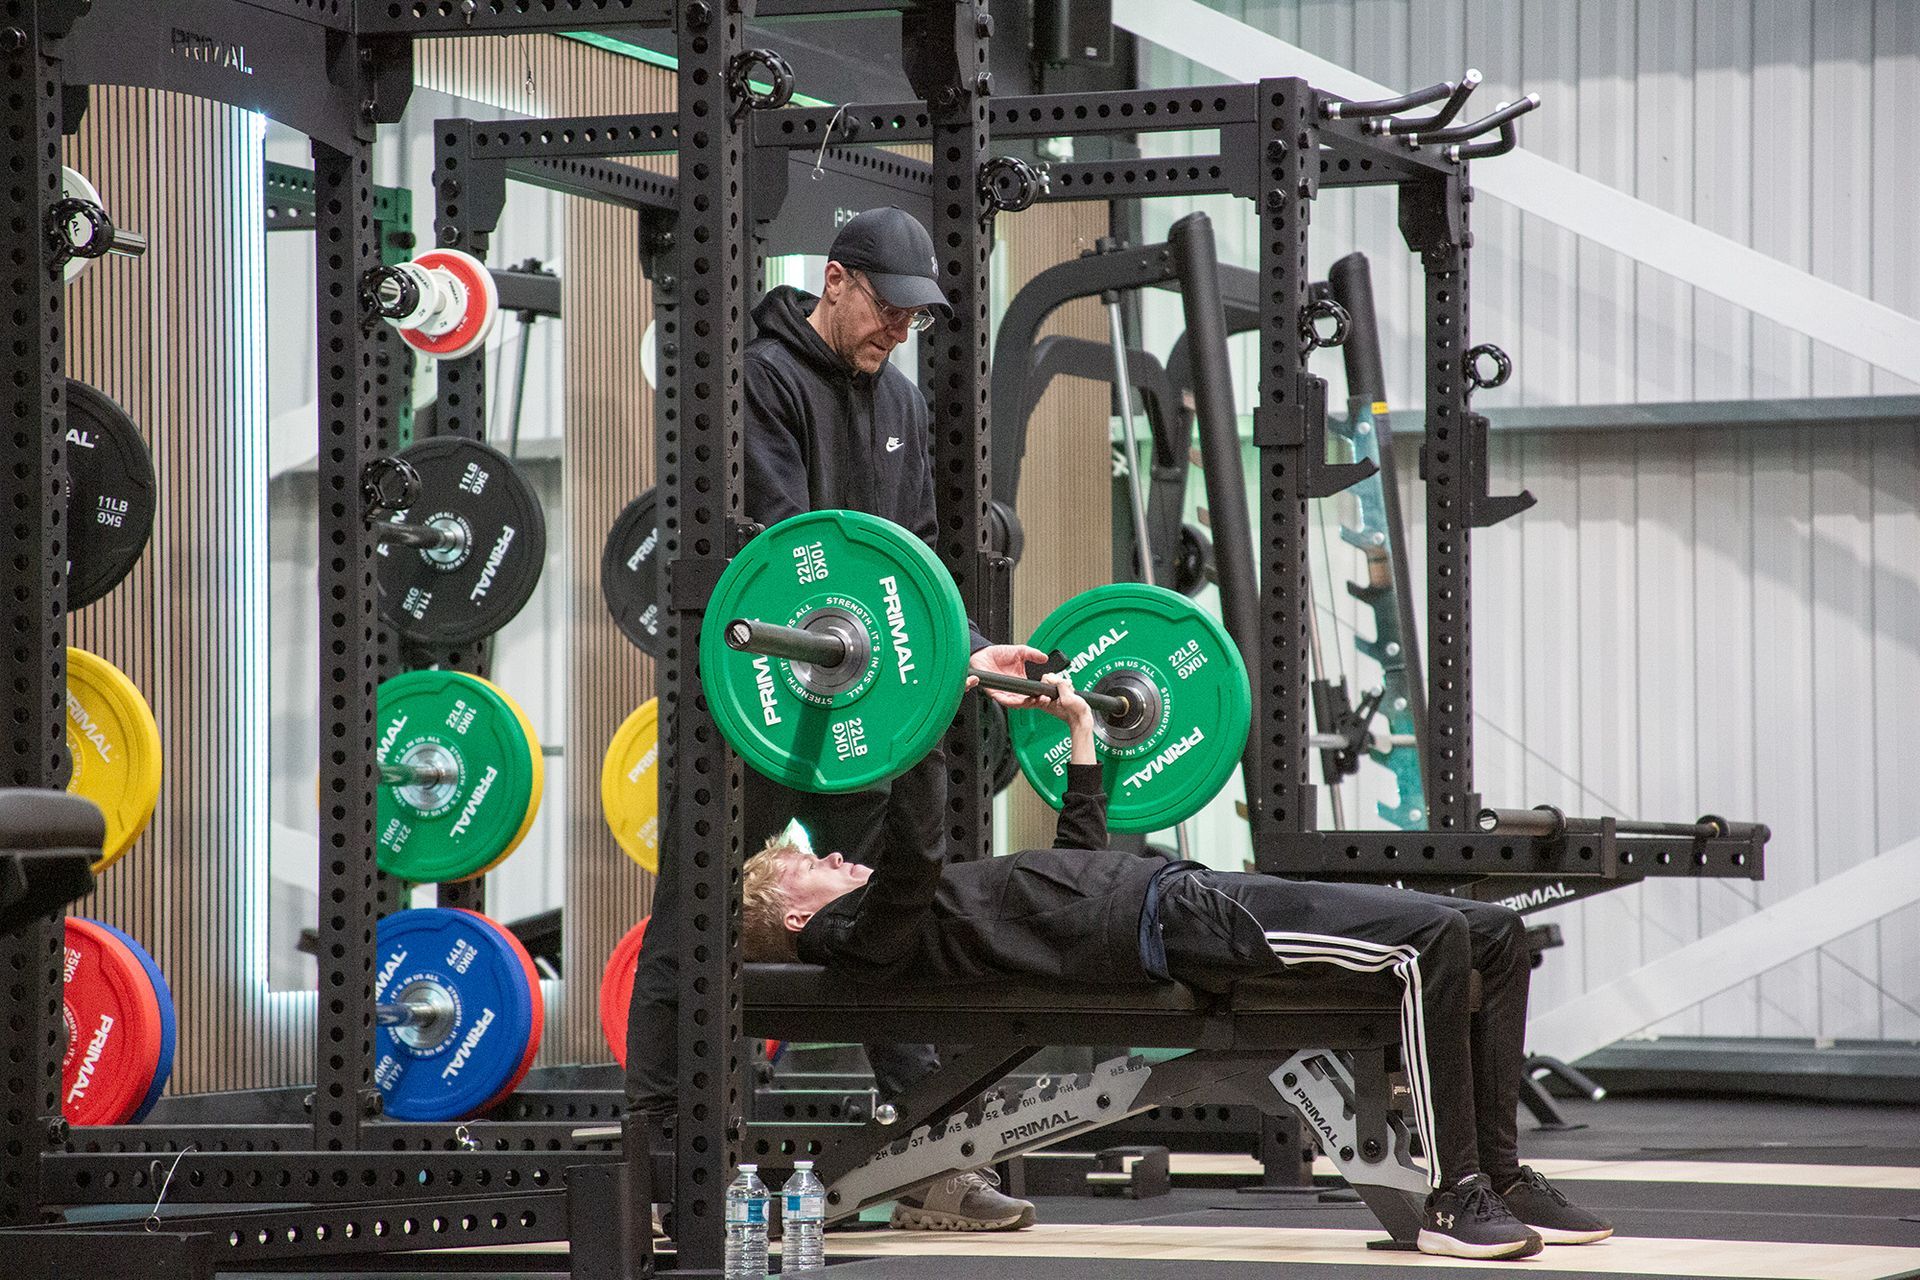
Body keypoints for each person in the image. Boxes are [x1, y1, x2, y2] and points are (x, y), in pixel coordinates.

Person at [740, 674, 1616, 1261]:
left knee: (1494, 931)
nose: (836, 859)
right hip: (1174, 921)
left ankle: (1501, 1174)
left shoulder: (909, 913)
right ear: (795, 911)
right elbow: (914, 848)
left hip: (1161, 895)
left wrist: (1083, 736)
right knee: (1426, 946)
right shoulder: (856, 936)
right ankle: (1452, 1195)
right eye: (812, 863)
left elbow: (1073, 867)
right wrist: (924, 712)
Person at [627, 206, 1043, 1232]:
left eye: (914, 317)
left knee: (893, 925)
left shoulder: (898, 398)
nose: (899, 329)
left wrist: (968, 648)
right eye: (888, 308)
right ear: (838, 279)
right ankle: (657, 1161)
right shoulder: (761, 379)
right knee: (696, 930)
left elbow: (918, 560)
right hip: (755, 716)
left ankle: (931, 1156)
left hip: (861, 721)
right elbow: (787, 545)